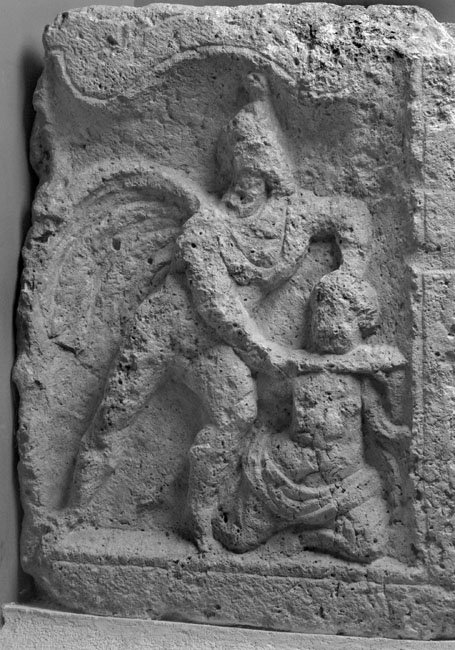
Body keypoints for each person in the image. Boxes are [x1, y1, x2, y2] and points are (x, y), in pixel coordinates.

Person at [213, 270, 409, 562]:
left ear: (362, 323)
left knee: (369, 545)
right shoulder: (296, 368)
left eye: (341, 317)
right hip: (281, 479)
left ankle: (308, 537)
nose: (329, 325)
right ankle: (285, 521)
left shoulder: (364, 375)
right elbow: (266, 409)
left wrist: (390, 382)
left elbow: (385, 422)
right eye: (321, 314)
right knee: (240, 538)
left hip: (348, 485)